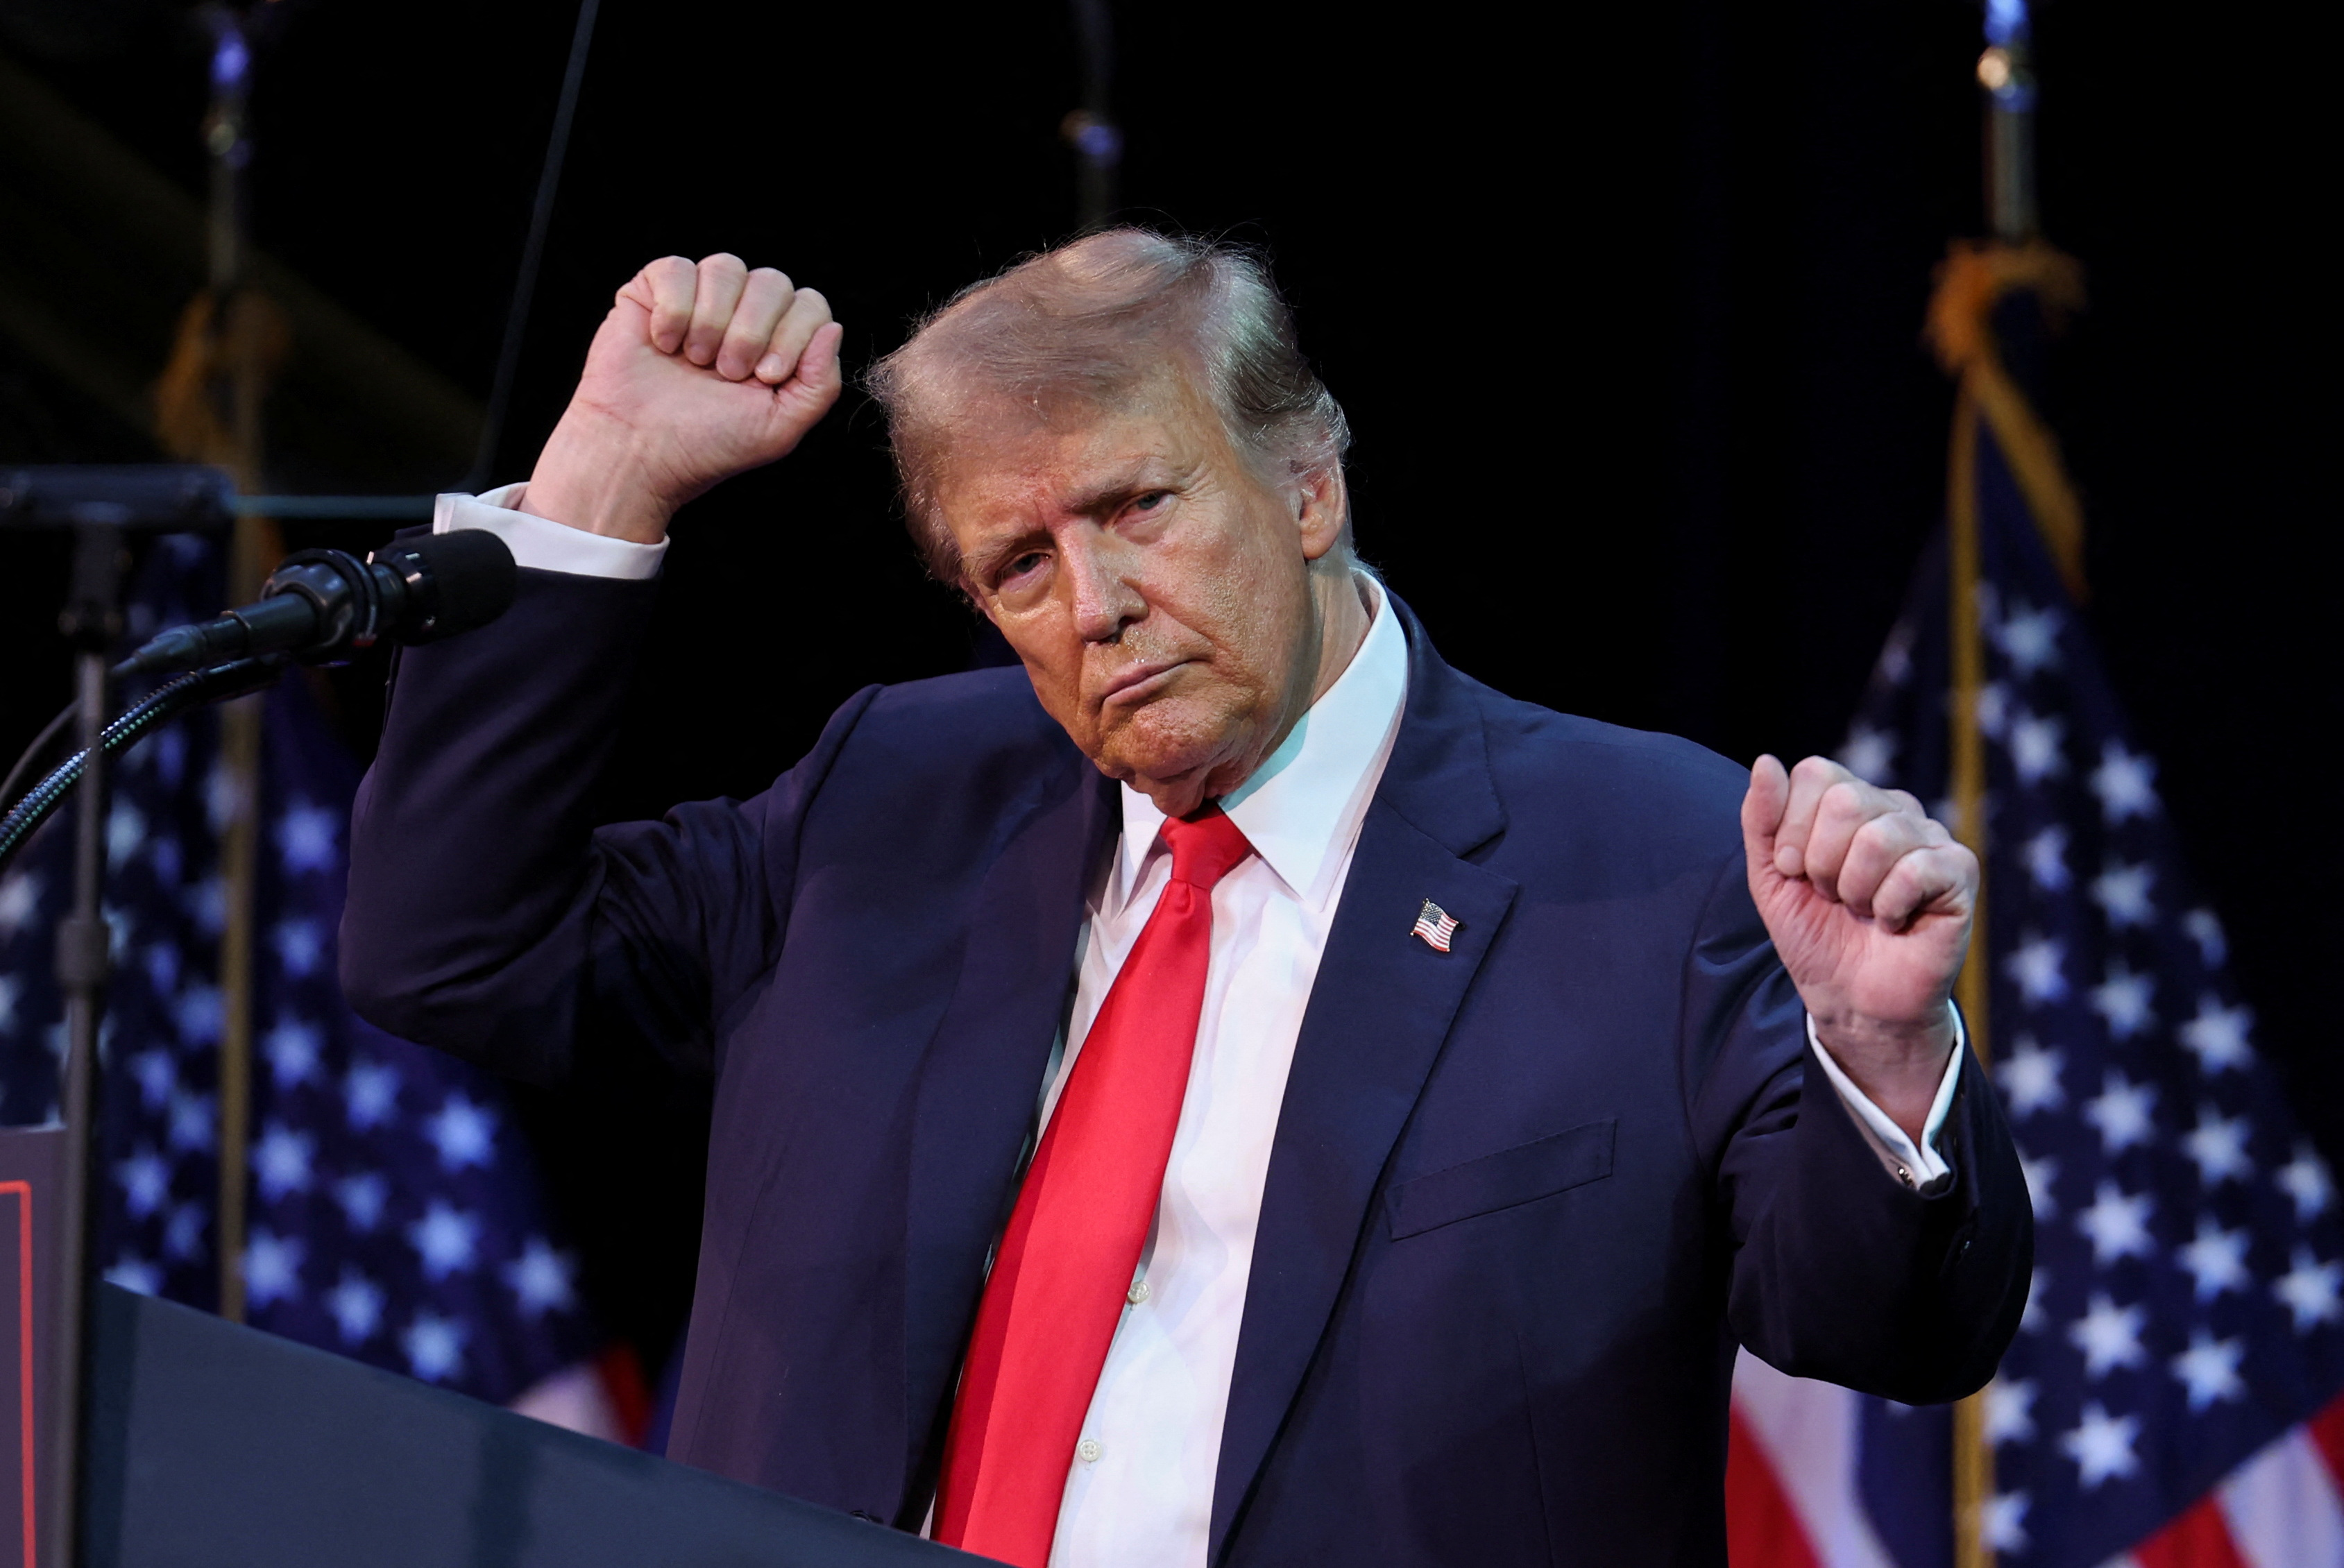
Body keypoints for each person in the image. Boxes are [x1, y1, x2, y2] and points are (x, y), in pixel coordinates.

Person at [342, 231, 2030, 1567]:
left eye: (1137, 506)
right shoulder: (890, 803)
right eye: (1020, 564)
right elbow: (453, 949)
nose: (1095, 604)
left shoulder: (1649, 854)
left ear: (1306, 485)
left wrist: (1884, 1061)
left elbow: (1890, 1327)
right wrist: (607, 474)